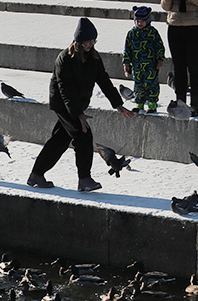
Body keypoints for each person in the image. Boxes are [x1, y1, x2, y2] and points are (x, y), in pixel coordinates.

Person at [28, 18, 134, 193]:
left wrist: (118, 104)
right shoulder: (65, 59)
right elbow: (65, 90)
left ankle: (36, 174)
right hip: (64, 104)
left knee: (60, 140)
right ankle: (84, 179)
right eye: (86, 41)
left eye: (92, 41)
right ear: (77, 41)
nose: (89, 45)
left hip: (78, 104)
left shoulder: (94, 57)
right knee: (83, 135)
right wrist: (78, 114)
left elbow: (103, 80)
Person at [122, 6, 165, 114]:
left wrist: (160, 60)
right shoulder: (132, 33)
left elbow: (159, 47)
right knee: (138, 85)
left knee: (152, 85)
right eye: (137, 21)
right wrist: (126, 63)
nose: (139, 23)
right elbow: (127, 49)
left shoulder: (152, 32)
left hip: (150, 66)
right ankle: (139, 103)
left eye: (142, 21)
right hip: (137, 66)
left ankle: (152, 104)